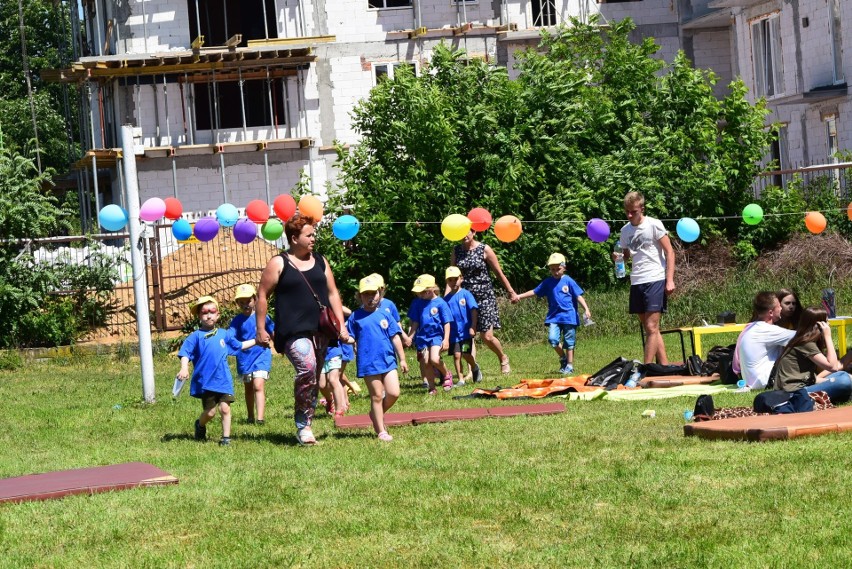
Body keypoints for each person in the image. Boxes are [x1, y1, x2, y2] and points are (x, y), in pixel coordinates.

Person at [255, 214, 352, 446]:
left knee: (314, 375)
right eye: (309, 235)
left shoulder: (320, 260)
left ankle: (307, 423)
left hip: (320, 330)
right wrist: (260, 329)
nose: (313, 239)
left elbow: (332, 293)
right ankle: (302, 424)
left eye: (313, 234)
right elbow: (261, 295)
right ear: (294, 238)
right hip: (292, 332)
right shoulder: (279, 263)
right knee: (307, 367)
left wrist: (342, 326)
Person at [177, 295, 255, 446]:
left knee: (225, 409)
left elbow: (239, 345)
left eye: (212, 311)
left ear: (218, 315)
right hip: (206, 381)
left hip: (223, 380)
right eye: (204, 312)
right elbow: (185, 353)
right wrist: (184, 368)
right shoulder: (195, 336)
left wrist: (257, 341)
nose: (208, 315)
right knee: (210, 412)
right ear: (199, 316)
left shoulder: (224, 334)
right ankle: (200, 424)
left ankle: (226, 438)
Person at [347, 275, 408, 441]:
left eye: (373, 293)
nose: (370, 297)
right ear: (360, 296)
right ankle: (381, 430)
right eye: (365, 294)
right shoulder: (355, 316)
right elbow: (352, 337)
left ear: (379, 294)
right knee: (376, 395)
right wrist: (346, 338)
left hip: (388, 360)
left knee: (394, 393)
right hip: (368, 362)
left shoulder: (385, 314)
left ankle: (375, 413)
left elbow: (395, 337)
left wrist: (402, 359)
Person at [617, 191, 675, 364]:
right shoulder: (624, 231)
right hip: (637, 281)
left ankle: (646, 369)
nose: (629, 215)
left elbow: (670, 252)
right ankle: (663, 366)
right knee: (651, 329)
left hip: (655, 278)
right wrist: (618, 257)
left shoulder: (654, 225)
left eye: (633, 211)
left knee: (651, 327)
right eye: (626, 211)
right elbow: (626, 255)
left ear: (641, 208)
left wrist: (669, 279)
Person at [452, 229, 518, 374]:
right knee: (467, 335)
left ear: (473, 232)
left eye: (466, 231)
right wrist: (447, 298)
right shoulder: (456, 250)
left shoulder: (484, 249)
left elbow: (498, 273)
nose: (464, 235)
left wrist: (511, 292)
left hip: (484, 297)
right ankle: (472, 370)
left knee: (486, 336)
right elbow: (452, 276)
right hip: (465, 299)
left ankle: (503, 357)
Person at [513, 253, 591, 375]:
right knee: (553, 339)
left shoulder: (568, 281)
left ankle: (570, 366)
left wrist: (586, 309)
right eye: (552, 269)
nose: (555, 272)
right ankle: (563, 359)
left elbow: (578, 296)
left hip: (569, 317)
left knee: (569, 341)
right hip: (554, 317)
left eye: (558, 269)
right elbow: (534, 291)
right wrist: (519, 296)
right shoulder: (548, 282)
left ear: (564, 267)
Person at [772, 306, 852, 404]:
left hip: (804, 386)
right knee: (844, 380)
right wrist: (828, 336)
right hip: (793, 393)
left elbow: (833, 369)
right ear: (819, 325)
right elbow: (833, 367)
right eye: (826, 322)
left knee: (843, 375)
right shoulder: (805, 343)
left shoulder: (805, 341)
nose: (829, 325)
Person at [228, 284, 274, 425]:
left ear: (255, 300)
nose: (245, 305)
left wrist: (279, 344)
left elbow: (273, 330)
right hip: (244, 358)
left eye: (248, 301)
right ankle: (250, 416)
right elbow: (231, 337)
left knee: (258, 385)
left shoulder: (263, 317)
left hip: (261, 355)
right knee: (248, 388)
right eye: (241, 302)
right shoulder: (236, 321)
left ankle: (260, 419)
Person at [734, 291, 795, 390]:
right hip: (765, 381)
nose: (781, 309)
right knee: (799, 346)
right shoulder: (766, 330)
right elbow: (801, 336)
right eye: (779, 306)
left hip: (752, 381)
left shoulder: (752, 327)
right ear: (771, 312)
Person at [407, 274, 453, 393]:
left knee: (435, 359)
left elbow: (447, 322)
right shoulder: (418, 303)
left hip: (436, 336)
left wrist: (446, 339)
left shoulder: (440, 303)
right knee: (426, 362)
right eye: (419, 292)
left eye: (423, 291)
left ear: (431, 289)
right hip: (422, 337)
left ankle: (447, 374)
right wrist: (410, 337)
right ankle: (432, 388)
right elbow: (415, 322)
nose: (420, 294)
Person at [443, 266, 482, 385]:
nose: (453, 282)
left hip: (465, 332)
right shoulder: (446, 300)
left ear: (461, 279)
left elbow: (474, 310)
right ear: (447, 282)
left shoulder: (466, 294)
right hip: (454, 334)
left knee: (465, 353)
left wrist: (473, 326)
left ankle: (475, 367)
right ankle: (460, 379)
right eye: (450, 280)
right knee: (456, 355)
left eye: (456, 279)